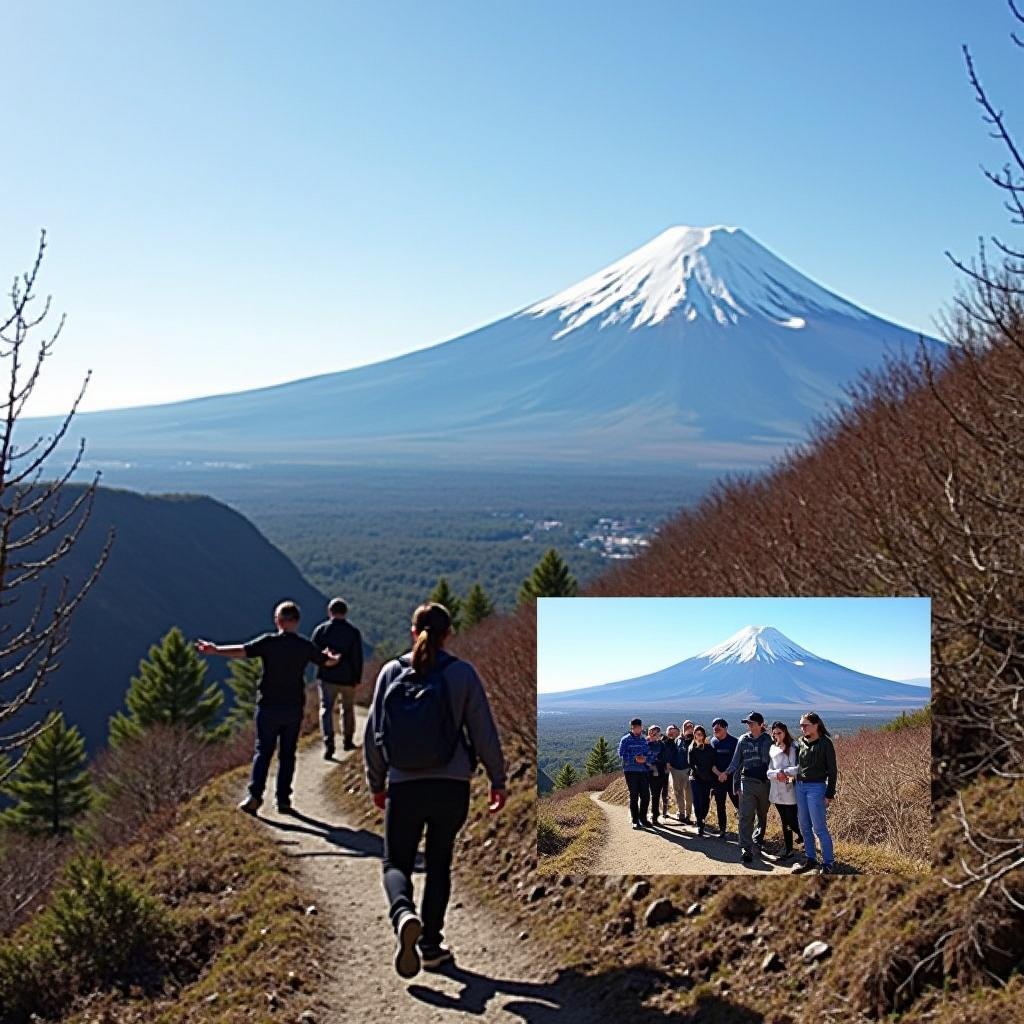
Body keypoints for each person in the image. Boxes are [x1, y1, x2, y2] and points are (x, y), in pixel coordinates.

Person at [364, 602, 506, 978]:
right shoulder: (462, 674)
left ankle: (403, 914)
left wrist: (377, 783)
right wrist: (498, 779)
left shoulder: (391, 672)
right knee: (440, 863)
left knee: (396, 862)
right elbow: (483, 732)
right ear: (449, 634)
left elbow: (375, 736)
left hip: (404, 784)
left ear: (413, 631)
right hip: (451, 785)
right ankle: (430, 946)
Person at [196, 600, 340, 815]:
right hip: (293, 707)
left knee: (263, 751)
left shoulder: (268, 642)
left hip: (269, 706)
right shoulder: (304, 646)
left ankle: (255, 795)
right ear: (297, 622)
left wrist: (215, 650)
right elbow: (326, 662)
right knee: (288, 754)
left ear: (278, 621)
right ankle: (283, 800)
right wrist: (333, 658)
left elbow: (241, 650)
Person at [310, 597, 365, 758]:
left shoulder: (321, 630)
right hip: (348, 677)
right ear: (345, 612)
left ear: (329, 612)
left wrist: (324, 662)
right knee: (347, 709)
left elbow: (312, 653)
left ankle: (329, 744)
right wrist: (357, 677)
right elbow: (357, 657)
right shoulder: (353, 632)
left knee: (326, 709)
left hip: (327, 677)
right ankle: (348, 740)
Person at [786, 711, 838, 875]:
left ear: (816, 725)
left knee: (819, 827)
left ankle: (828, 863)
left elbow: (833, 771)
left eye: (806, 725)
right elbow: (798, 765)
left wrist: (829, 794)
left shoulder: (825, 743)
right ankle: (810, 859)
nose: (802, 728)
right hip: (800, 786)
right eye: (801, 725)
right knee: (804, 826)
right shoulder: (800, 742)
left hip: (817, 788)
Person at [720, 711, 773, 863]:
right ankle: (746, 847)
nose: (749, 726)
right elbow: (736, 762)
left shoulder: (768, 740)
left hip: (765, 783)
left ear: (760, 724)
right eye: (747, 723)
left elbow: (776, 760)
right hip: (747, 781)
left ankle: (757, 841)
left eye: (751, 723)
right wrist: (729, 775)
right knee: (746, 815)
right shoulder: (742, 740)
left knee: (762, 814)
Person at [768, 720, 802, 860]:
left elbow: (798, 768)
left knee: (792, 819)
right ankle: (788, 849)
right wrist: (777, 774)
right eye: (774, 733)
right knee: (784, 821)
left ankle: (804, 835)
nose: (777, 735)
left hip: (790, 788)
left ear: (785, 732)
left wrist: (784, 772)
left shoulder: (794, 747)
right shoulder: (772, 748)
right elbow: (768, 771)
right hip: (776, 789)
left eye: (779, 733)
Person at [617, 718, 651, 830]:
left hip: (643, 771)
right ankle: (635, 820)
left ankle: (643, 818)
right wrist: (635, 759)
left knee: (646, 796)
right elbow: (621, 754)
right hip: (630, 771)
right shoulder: (625, 739)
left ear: (641, 727)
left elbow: (649, 754)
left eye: (639, 727)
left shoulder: (643, 740)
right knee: (634, 796)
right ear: (631, 727)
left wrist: (645, 759)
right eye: (635, 727)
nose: (637, 729)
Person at [709, 718, 739, 837]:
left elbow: (736, 761)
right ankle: (722, 830)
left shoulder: (734, 742)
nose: (716, 730)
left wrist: (725, 773)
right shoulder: (713, 742)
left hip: (732, 779)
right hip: (718, 780)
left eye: (718, 728)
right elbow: (710, 761)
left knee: (739, 805)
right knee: (720, 805)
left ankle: (744, 831)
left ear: (725, 728)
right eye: (714, 728)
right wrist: (719, 774)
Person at [687, 725, 716, 836]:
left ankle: (702, 818)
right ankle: (699, 823)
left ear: (704, 735)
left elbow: (713, 762)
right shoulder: (692, 748)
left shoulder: (709, 748)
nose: (699, 736)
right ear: (694, 735)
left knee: (705, 801)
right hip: (696, 778)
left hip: (708, 779)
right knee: (697, 801)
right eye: (697, 734)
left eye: (701, 734)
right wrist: (699, 773)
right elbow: (691, 764)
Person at [664, 724, 691, 824]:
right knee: (678, 793)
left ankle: (688, 814)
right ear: (682, 729)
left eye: (690, 727)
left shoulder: (694, 739)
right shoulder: (676, 740)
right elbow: (668, 753)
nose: (688, 729)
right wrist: (668, 763)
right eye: (686, 727)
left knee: (689, 794)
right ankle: (681, 814)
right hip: (675, 770)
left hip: (688, 770)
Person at [645, 725, 669, 826]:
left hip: (661, 773)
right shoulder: (645, 744)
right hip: (648, 773)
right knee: (646, 796)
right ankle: (642, 816)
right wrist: (653, 768)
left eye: (656, 733)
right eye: (652, 732)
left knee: (656, 796)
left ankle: (655, 816)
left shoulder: (661, 744)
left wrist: (666, 770)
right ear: (649, 733)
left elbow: (665, 758)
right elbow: (644, 759)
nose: (654, 735)